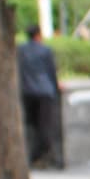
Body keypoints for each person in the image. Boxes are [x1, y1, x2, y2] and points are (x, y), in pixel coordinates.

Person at [18, 24, 63, 168]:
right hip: (45, 92)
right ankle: (38, 156)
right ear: (38, 35)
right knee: (46, 127)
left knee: (31, 125)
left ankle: (35, 156)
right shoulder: (45, 50)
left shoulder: (20, 50)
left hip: (27, 92)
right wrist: (56, 88)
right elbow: (51, 72)